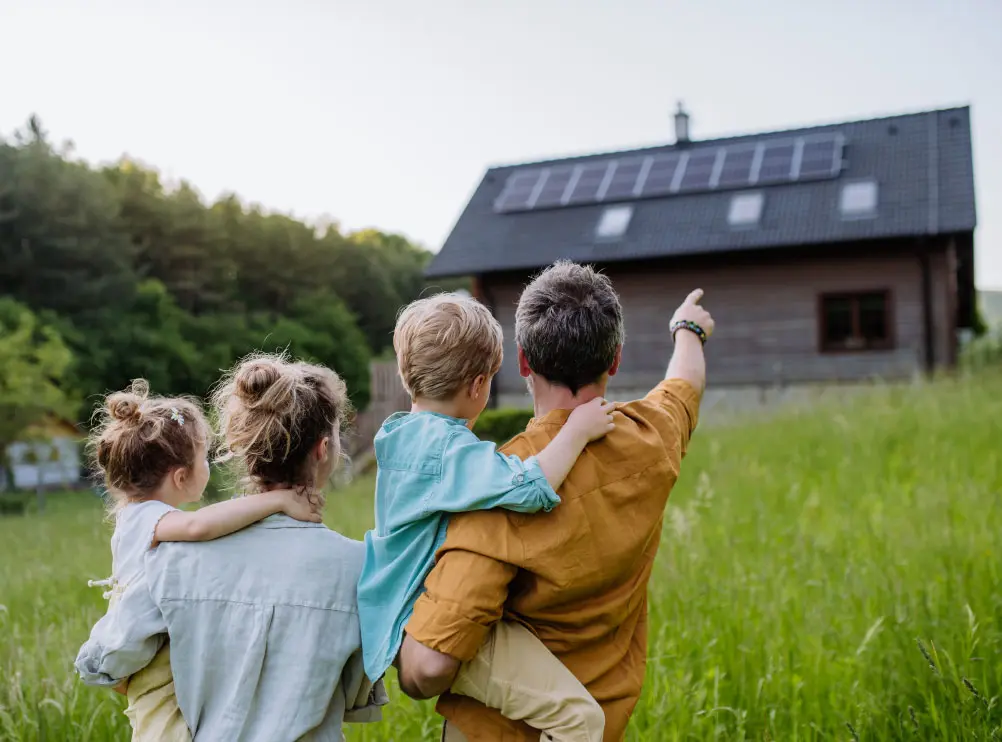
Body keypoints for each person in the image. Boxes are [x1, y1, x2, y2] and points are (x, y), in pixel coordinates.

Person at [396, 261, 714, 742]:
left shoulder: (495, 485)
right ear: (615, 359)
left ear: (523, 361)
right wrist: (688, 328)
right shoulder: (653, 437)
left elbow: (428, 667)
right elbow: (685, 385)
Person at [75, 355, 387, 741]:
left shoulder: (170, 559)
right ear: (323, 449)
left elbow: (111, 659)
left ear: (241, 446)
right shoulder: (361, 567)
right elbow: (358, 693)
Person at [358, 294, 615, 742]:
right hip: (427, 623)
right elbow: (529, 487)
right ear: (478, 386)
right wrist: (576, 430)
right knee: (580, 720)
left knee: (477, 718)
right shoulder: (447, 450)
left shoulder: (397, 435)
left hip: (397, 617)